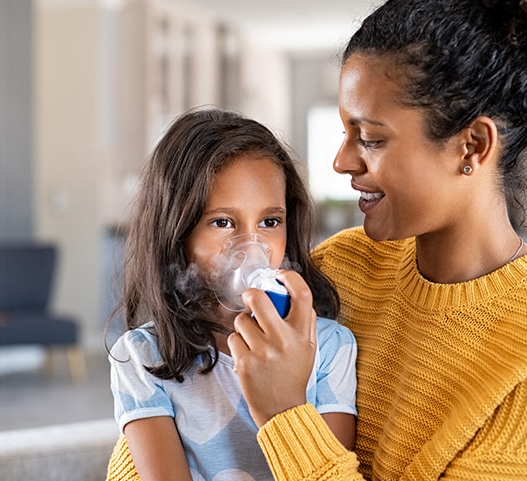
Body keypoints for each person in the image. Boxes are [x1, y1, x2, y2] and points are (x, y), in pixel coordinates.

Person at [226, 0, 527, 479]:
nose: (342, 162)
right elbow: (185, 395)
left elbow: (274, 411)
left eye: (371, 138)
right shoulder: (341, 267)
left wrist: (284, 414)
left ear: (472, 145)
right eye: (345, 131)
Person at [105, 108, 358, 481]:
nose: (251, 245)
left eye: (270, 222)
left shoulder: (329, 348)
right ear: (177, 232)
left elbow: (326, 472)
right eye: (222, 222)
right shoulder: (143, 358)